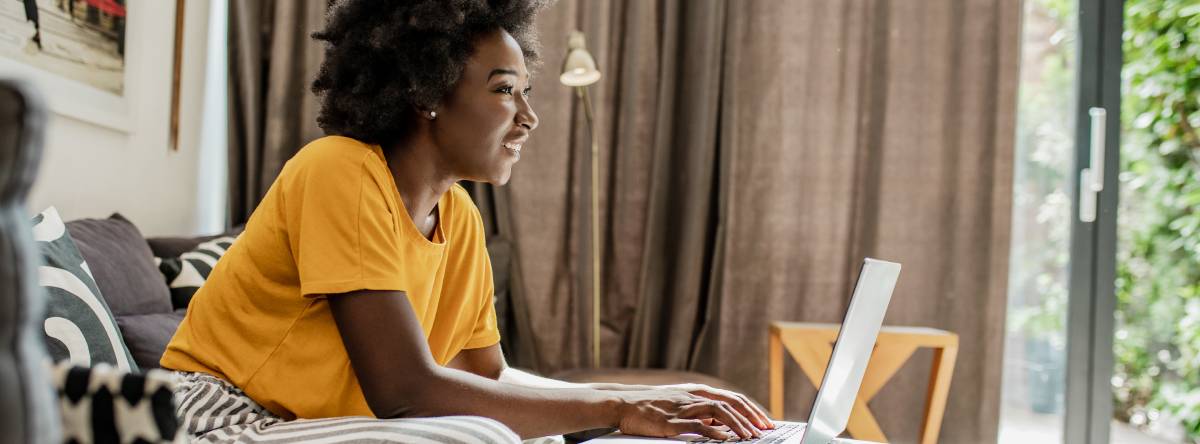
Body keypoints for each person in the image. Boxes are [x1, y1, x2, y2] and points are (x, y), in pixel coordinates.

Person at [160, 1, 773, 442]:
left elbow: (489, 377)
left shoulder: (459, 216)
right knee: (484, 439)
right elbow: (405, 392)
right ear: (426, 91)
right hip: (216, 416)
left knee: (540, 433)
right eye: (506, 91)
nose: (528, 117)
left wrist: (646, 406)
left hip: (314, 426)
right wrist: (612, 406)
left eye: (526, 92)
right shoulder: (338, 171)